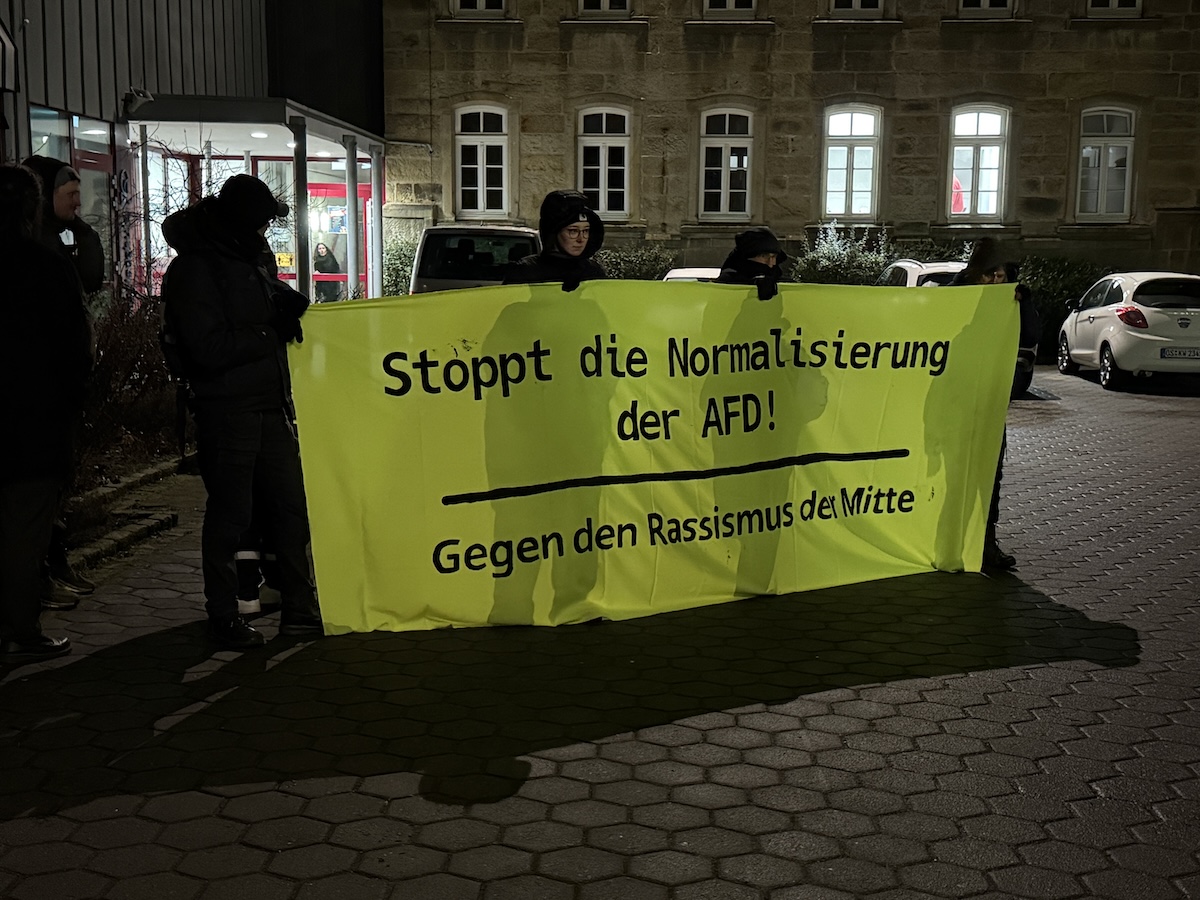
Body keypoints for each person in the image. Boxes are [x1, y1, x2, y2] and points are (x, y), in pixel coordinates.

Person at [160, 173, 323, 648]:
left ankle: (300, 606)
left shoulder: (246, 256)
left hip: (267, 406)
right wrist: (270, 330)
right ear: (239, 219)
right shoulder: (196, 268)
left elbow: (258, 312)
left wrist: (282, 303)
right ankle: (224, 614)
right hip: (227, 410)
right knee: (231, 516)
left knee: (292, 507)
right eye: (261, 223)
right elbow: (207, 347)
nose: (266, 233)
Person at [0, 164, 94, 659]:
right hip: (33, 424)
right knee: (24, 530)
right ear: (32, 208)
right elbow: (75, 348)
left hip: (28, 419)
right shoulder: (44, 266)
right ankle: (19, 629)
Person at [20, 155, 105, 605]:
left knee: (54, 489)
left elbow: (92, 278)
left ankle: (54, 565)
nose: (78, 202)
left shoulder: (66, 241)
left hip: (50, 393)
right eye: (69, 195)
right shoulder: (37, 260)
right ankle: (36, 582)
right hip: (38, 395)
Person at [951, 238, 1040, 572]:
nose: (995, 282)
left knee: (989, 478)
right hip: (954, 404)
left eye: (1001, 276)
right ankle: (950, 543)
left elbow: (1030, 336)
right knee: (953, 478)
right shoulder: (954, 295)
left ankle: (986, 546)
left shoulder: (1013, 299)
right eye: (989, 276)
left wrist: (1024, 303)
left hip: (989, 406)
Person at [504, 189, 606, 290]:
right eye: (573, 231)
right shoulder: (526, 271)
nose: (581, 239)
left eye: (585, 231)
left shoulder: (593, 271)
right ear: (553, 234)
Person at [715, 226, 788, 300]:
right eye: (764, 256)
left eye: (774, 257)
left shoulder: (782, 281)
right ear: (748, 257)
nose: (771, 263)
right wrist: (752, 284)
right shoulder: (727, 280)